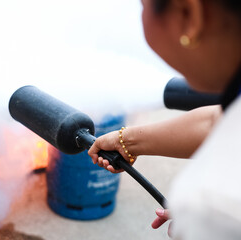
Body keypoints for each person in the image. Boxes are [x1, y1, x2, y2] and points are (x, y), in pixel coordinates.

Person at [88, 0, 241, 239]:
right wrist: (126, 140)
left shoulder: (217, 200)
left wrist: (199, 223)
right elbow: (217, 121)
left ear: (190, 13)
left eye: (142, 5)